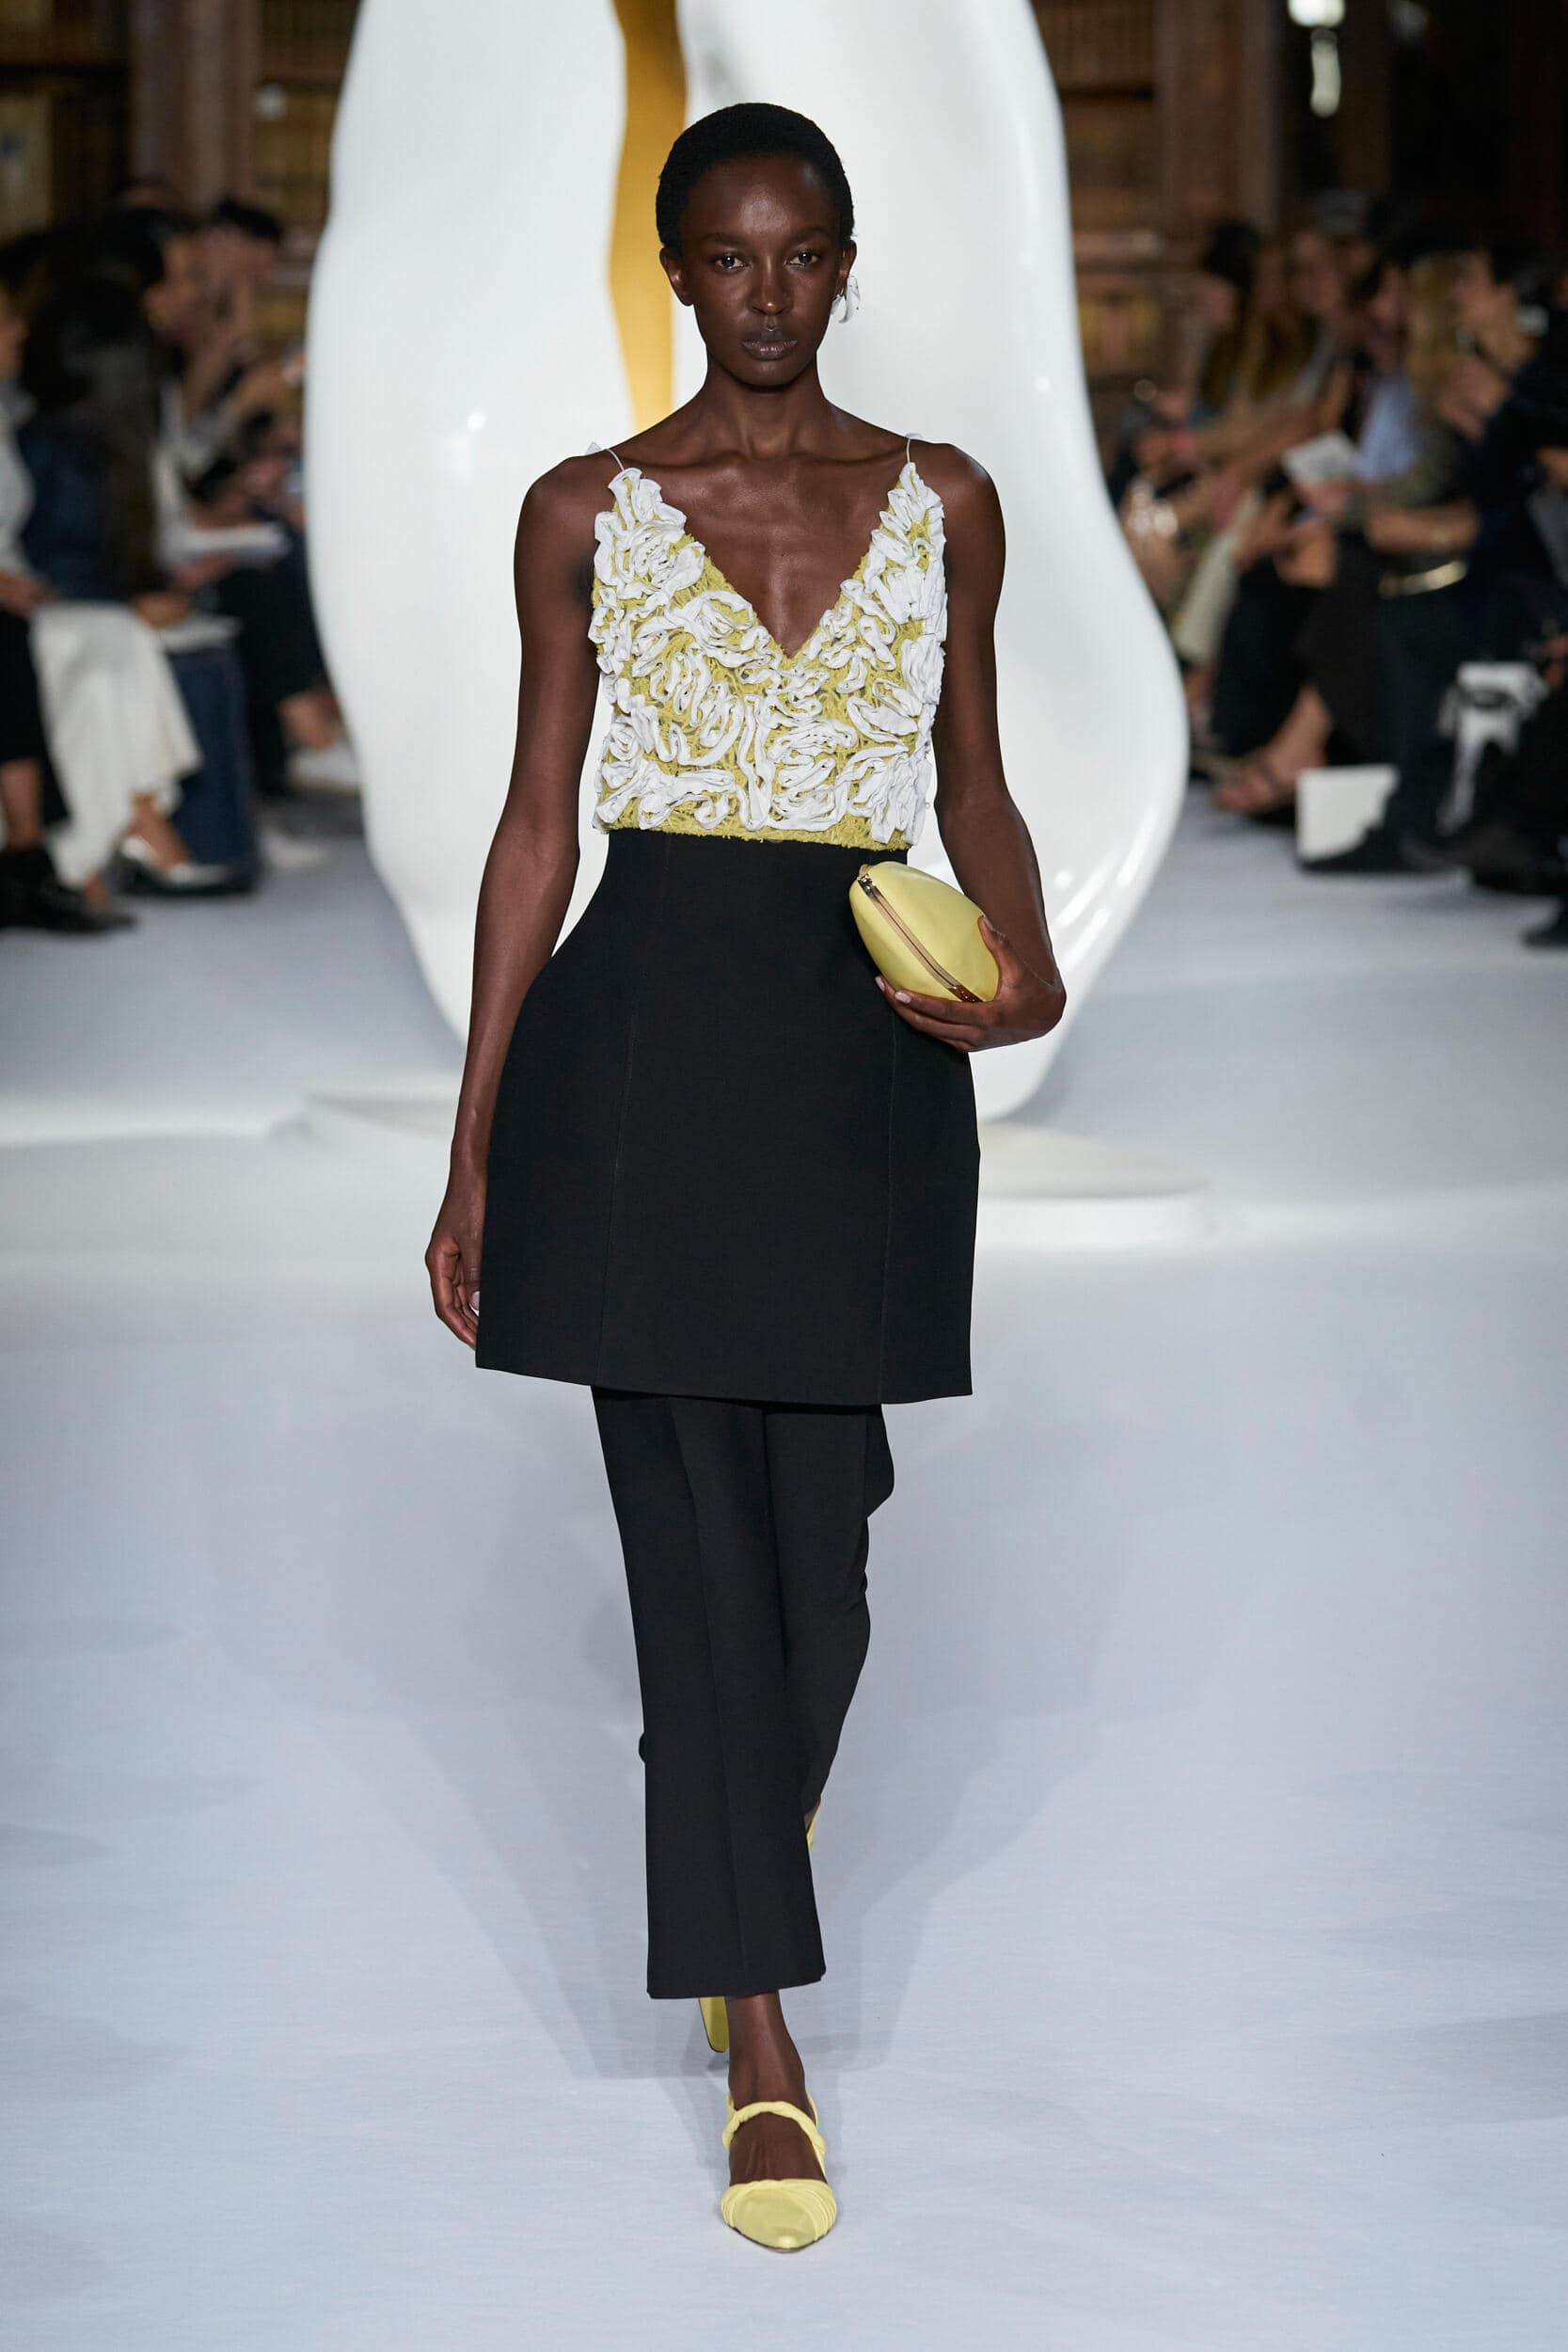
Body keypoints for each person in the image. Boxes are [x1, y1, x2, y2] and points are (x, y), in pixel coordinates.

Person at [425, 102, 1065, 2250]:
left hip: (859, 1052)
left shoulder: (946, 500)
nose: (766, 292)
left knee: (829, 1550)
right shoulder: (585, 511)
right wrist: (476, 1137)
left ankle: (734, 1855)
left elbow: (975, 777)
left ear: (846, 266)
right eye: (728, 255)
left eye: (801, 255)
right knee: (695, 1561)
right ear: (675, 270)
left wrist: (1032, 958)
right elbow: (535, 823)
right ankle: (763, 2035)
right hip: (638, 1054)